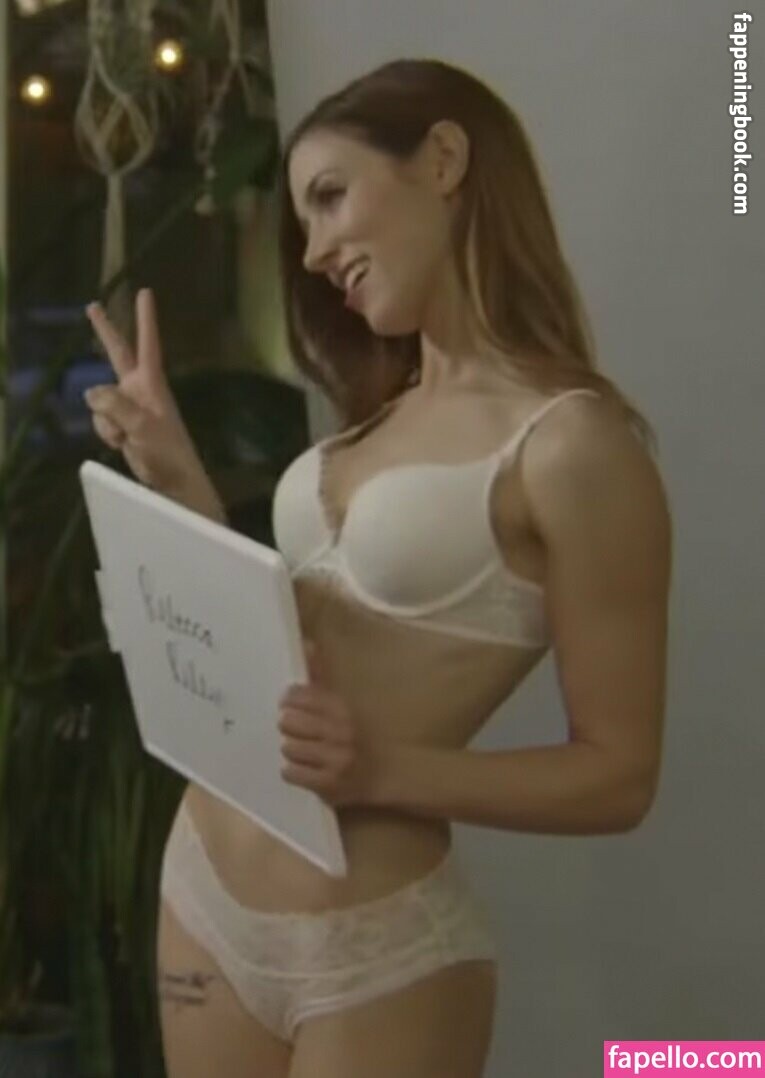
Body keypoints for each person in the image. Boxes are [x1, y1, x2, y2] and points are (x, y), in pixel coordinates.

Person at [84, 58, 672, 1078]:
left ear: (442, 160)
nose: (314, 253)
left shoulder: (572, 446)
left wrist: (381, 771)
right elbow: (279, 655)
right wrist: (175, 473)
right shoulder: (370, 425)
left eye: (329, 197)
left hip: (376, 945)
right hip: (203, 886)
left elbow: (619, 776)